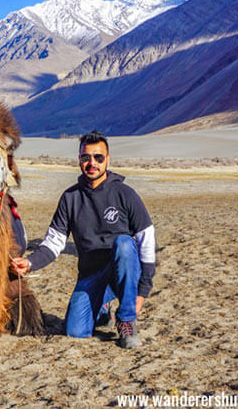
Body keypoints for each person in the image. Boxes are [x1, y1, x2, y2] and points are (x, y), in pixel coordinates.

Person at [10, 131, 156, 348]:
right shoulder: (71, 198)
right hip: (92, 275)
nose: (92, 163)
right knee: (75, 331)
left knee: (124, 244)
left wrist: (142, 292)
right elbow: (53, 243)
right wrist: (30, 263)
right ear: (79, 159)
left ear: (108, 160)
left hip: (124, 271)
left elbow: (146, 242)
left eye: (98, 158)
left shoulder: (125, 194)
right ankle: (102, 306)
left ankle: (127, 322)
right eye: (85, 157)